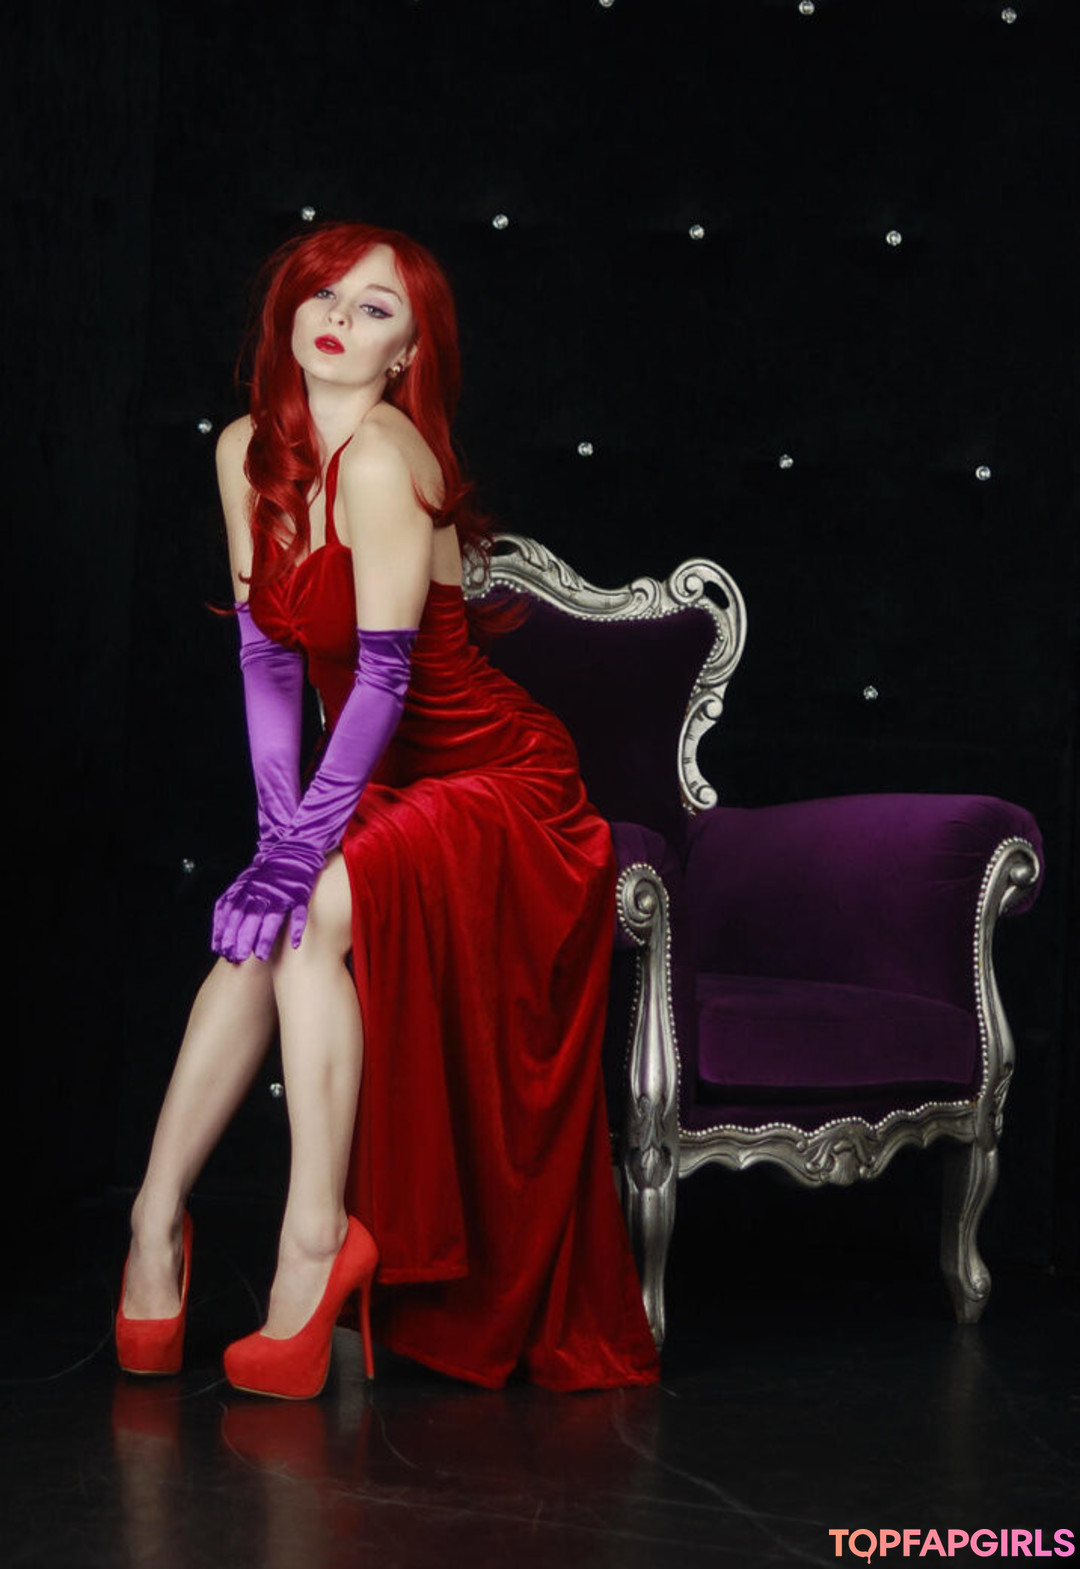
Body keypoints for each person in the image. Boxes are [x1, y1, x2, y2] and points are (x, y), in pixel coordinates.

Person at [114, 221, 661, 1396]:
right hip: (381, 779)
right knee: (268, 923)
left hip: (498, 780)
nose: (338, 319)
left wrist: (301, 850)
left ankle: (314, 1243)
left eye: (375, 310)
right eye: (324, 294)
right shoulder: (244, 451)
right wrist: (278, 836)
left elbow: (383, 682)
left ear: (408, 353)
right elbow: (266, 660)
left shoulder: (383, 457)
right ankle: (154, 1221)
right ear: (288, 311)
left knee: (304, 910)